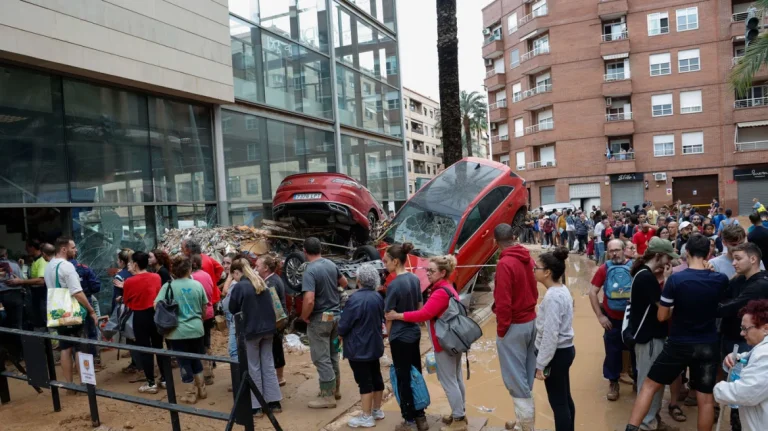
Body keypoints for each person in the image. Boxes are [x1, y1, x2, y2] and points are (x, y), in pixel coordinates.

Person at [624, 234, 729, 431]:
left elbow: (662, 316)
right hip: (708, 343)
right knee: (705, 399)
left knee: (648, 385)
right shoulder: (720, 279)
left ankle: (632, 428)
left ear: (686, 252)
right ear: (708, 253)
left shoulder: (676, 280)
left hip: (679, 343)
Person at [386, 255, 468, 431]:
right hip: (454, 341)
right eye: (427, 270)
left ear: (443, 272)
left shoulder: (440, 292)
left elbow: (423, 314)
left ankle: (459, 420)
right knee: (456, 378)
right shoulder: (448, 288)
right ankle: (459, 412)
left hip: (444, 343)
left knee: (448, 381)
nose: (428, 274)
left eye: (431, 271)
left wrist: (397, 315)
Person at [628, 238, 682, 430]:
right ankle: (647, 422)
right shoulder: (647, 278)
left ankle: (653, 419)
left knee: (653, 381)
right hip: (650, 338)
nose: (670, 261)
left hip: (647, 336)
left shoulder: (643, 273)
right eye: (668, 257)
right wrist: (667, 281)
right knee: (649, 382)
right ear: (658, 256)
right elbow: (664, 312)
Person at [717, 242, 768, 430]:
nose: (734, 263)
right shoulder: (740, 280)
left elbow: (729, 307)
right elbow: (723, 296)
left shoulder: (760, 284)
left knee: (745, 390)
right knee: (734, 382)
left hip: (747, 342)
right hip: (732, 339)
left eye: (738, 259)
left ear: (753, 259)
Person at [493, 224, 538, 431]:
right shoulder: (526, 257)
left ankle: (526, 425)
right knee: (526, 375)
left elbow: (504, 302)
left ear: (496, 242)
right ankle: (522, 421)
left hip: (514, 325)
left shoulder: (505, 263)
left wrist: (502, 331)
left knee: (515, 378)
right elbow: (533, 289)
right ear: (513, 237)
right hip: (530, 321)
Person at [43, 237, 99, 391]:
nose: (75, 250)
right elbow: (77, 292)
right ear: (64, 249)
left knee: (65, 347)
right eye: (73, 247)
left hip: (57, 311)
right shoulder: (67, 266)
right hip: (72, 311)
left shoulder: (49, 266)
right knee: (81, 347)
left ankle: (69, 385)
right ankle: (84, 383)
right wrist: (91, 310)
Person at [228, 258, 282, 417]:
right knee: (268, 364)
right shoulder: (260, 282)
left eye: (233, 275)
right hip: (268, 329)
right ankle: (274, 402)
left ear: (237, 272)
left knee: (253, 367)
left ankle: (256, 406)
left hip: (251, 330)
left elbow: (232, 308)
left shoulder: (240, 286)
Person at [383, 243, 428, 431]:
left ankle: (408, 420)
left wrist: (388, 336)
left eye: (386, 261)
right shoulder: (414, 279)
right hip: (414, 333)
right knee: (415, 373)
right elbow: (420, 307)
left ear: (395, 261)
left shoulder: (393, 284)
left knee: (403, 377)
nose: (384, 264)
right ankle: (421, 416)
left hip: (399, 337)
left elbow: (388, 315)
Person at [300, 237, 348, 408]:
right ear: (321, 249)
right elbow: (344, 282)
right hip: (335, 316)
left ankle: (327, 396)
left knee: (321, 357)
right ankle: (335, 390)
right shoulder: (330, 264)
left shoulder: (310, 271)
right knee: (333, 354)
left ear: (305, 251)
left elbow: (309, 299)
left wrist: (304, 316)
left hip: (320, 318)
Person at [533, 247, 576, 431]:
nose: (534, 270)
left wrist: (541, 364)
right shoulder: (561, 289)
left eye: (537, 267)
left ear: (547, 272)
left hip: (556, 354)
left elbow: (551, 335)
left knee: (558, 403)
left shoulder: (552, 297)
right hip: (564, 351)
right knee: (565, 398)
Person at [156, 255, 208, 404]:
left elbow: (157, 305)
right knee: (196, 357)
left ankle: (190, 393)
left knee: (183, 361)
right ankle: (202, 389)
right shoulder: (197, 285)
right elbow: (204, 308)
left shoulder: (168, 287)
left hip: (176, 331)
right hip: (197, 329)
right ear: (189, 269)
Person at [339, 264, 386, 429]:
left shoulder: (355, 299)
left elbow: (344, 326)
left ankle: (366, 416)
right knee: (376, 377)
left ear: (358, 280)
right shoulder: (377, 297)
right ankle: (376, 410)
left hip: (359, 348)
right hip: (374, 345)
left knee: (364, 382)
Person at [589, 239, 635, 402]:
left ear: (624, 250)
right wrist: (600, 316)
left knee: (635, 351)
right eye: (611, 251)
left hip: (632, 320)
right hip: (612, 319)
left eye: (617, 250)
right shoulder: (604, 268)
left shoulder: (635, 266)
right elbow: (592, 292)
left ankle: (637, 380)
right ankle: (613, 382)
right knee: (612, 352)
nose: (614, 253)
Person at [714, 299, 768, 430]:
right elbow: (752, 361)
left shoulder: (765, 355)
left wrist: (718, 389)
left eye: (745, 329)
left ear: (765, 328)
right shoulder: (761, 350)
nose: (742, 333)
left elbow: (746, 393)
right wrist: (737, 358)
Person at [122, 251, 165, 393]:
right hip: (155, 314)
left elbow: (126, 300)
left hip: (140, 316)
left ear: (135, 264)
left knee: (145, 349)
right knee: (158, 346)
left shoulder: (129, 281)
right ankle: (164, 379)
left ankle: (151, 382)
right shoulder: (156, 277)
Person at [255, 254, 287, 387]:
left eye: (257, 266)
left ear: (266, 268)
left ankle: (278, 378)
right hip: (278, 321)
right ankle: (278, 377)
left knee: (275, 349)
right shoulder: (272, 279)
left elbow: (274, 305)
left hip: (276, 322)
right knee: (276, 348)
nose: (255, 269)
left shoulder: (270, 283)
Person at [191, 254, 216, 386]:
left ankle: (205, 373)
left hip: (199, 314)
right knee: (207, 342)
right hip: (209, 312)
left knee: (199, 344)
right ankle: (210, 370)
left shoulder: (192, 278)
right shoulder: (206, 275)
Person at [183, 239, 223, 306]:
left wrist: (213, 281)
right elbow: (220, 268)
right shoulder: (205, 257)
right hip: (212, 296)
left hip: (205, 301)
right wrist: (214, 281)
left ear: (188, 250)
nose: (182, 251)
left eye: (182, 248)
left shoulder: (198, 264)